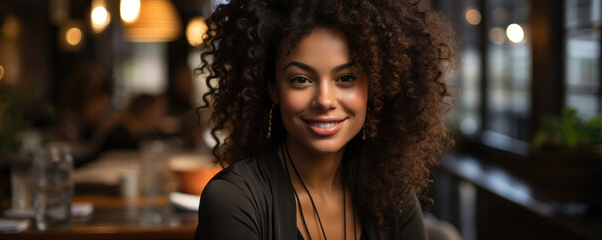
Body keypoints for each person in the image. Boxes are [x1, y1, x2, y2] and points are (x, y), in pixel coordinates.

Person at [194, 0, 456, 239]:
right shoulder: (232, 200)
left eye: (345, 78)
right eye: (301, 80)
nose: (325, 100)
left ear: (373, 87)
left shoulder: (394, 197)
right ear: (273, 88)